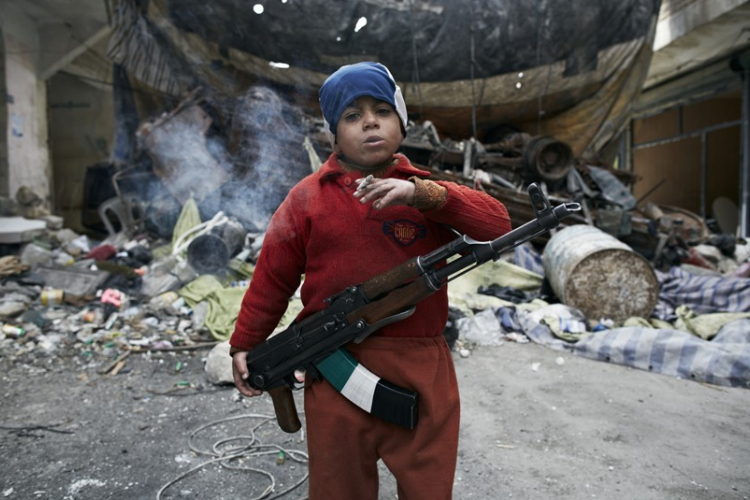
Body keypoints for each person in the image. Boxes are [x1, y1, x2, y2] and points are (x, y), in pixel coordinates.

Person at [229, 61, 512, 499]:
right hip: (335, 366)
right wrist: (245, 342)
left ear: (402, 123)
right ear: (333, 134)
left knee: (428, 489)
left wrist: (420, 195)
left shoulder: (426, 191)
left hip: (422, 367)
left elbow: (498, 225)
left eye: (382, 110)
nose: (370, 122)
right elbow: (272, 277)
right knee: (338, 489)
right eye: (352, 115)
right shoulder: (306, 198)